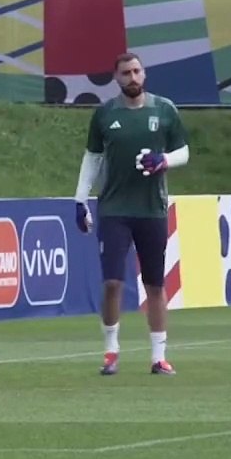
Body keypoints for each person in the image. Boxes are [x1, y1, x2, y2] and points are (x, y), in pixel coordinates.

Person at [73, 52, 190, 376]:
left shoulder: (164, 110)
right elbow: (93, 157)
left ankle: (158, 356)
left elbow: (184, 151)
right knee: (112, 282)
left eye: (137, 71)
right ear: (117, 78)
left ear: (145, 74)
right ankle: (111, 351)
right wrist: (80, 199)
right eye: (126, 73)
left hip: (152, 209)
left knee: (154, 284)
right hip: (114, 209)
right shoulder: (105, 114)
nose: (133, 77)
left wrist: (164, 160)